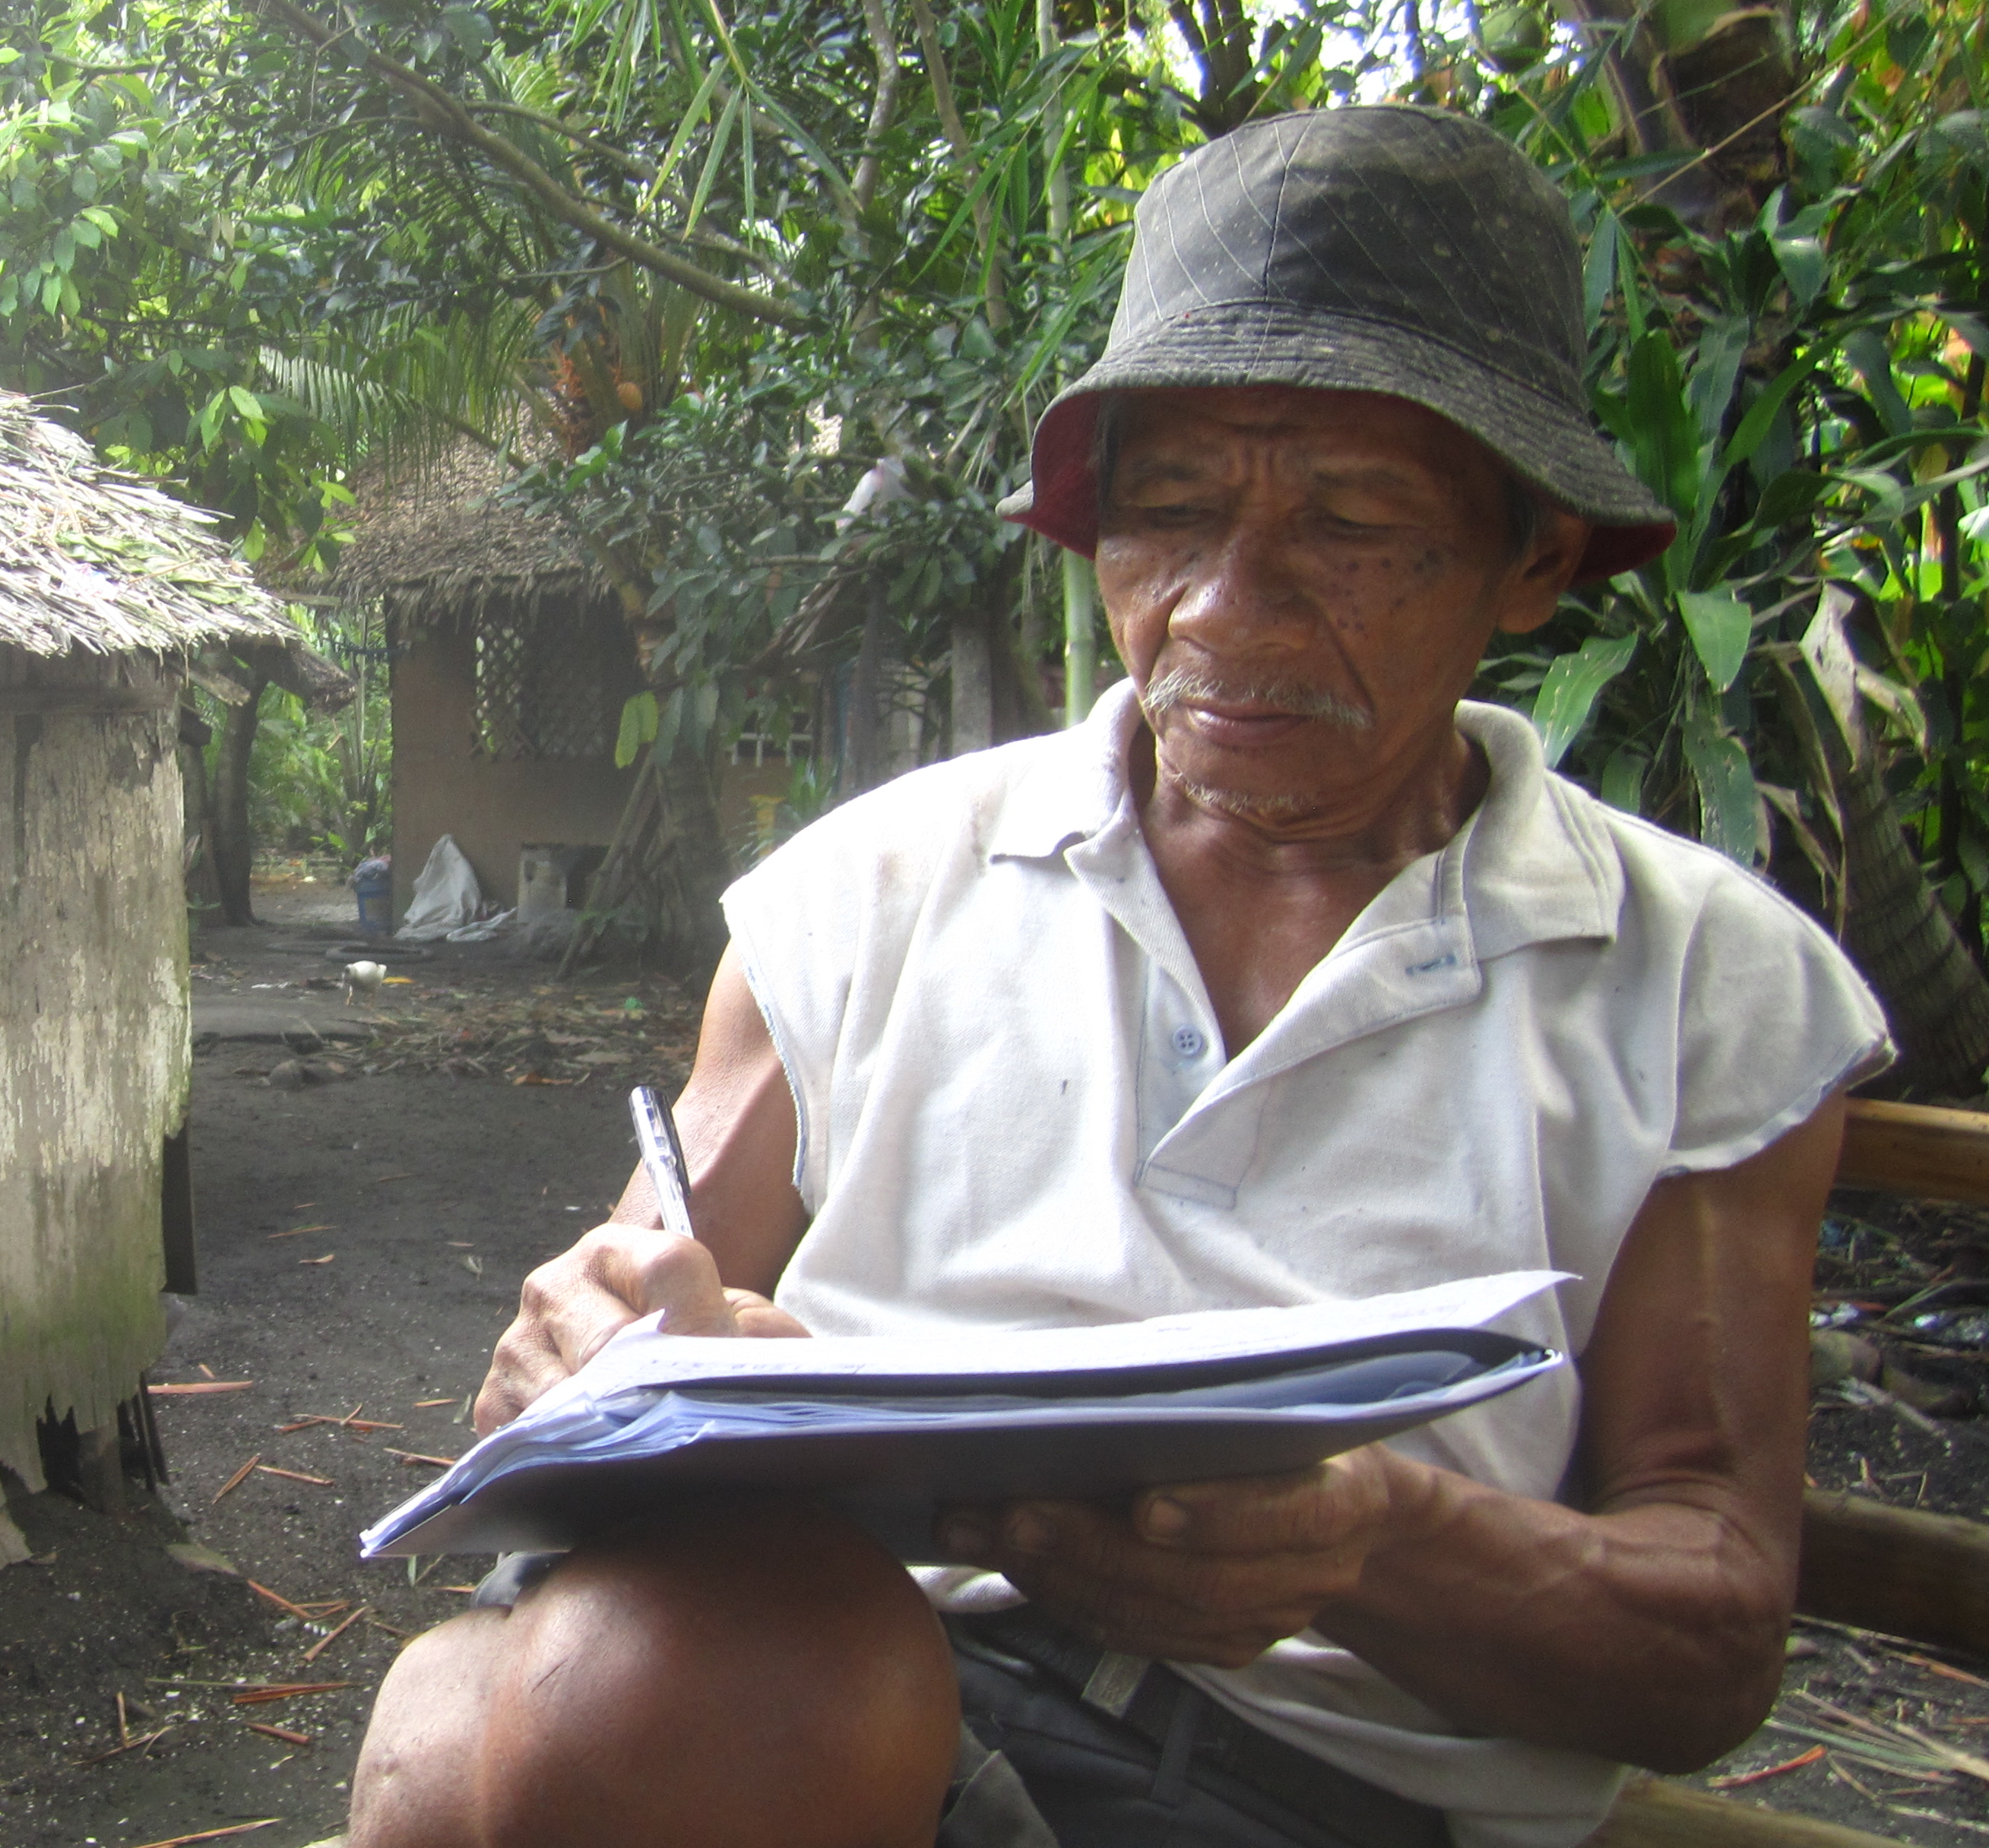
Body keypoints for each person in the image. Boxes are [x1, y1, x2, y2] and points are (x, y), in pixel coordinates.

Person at [340, 106, 1894, 1848]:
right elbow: (628, 1304)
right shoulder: (872, 887)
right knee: (532, 1711)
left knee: (528, 1732)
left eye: (1354, 524)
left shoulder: (1696, 983)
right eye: (1166, 517)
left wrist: (1372, 1537)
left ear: (1533, 556)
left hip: (1287, 1785)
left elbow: (1703, 1643)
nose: (1227, 607)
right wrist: (582, 1358)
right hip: (814, 1670)